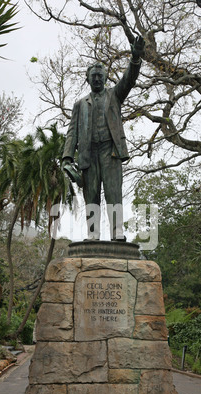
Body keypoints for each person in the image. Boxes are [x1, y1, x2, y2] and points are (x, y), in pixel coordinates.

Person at [62, 36, 145, 241]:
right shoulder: (80, 104)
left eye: (100, 76)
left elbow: (129, 79)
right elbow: (72, 131)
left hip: (111, 150)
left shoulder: (115, 95)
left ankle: (117, 232)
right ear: (88, 79)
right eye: (94, 76)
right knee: (91, 195)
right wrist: (67, 157)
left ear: (105, 78)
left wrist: (135, 58)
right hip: (88, 154)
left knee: (113, 192)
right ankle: (93, 234)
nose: (97, 79)